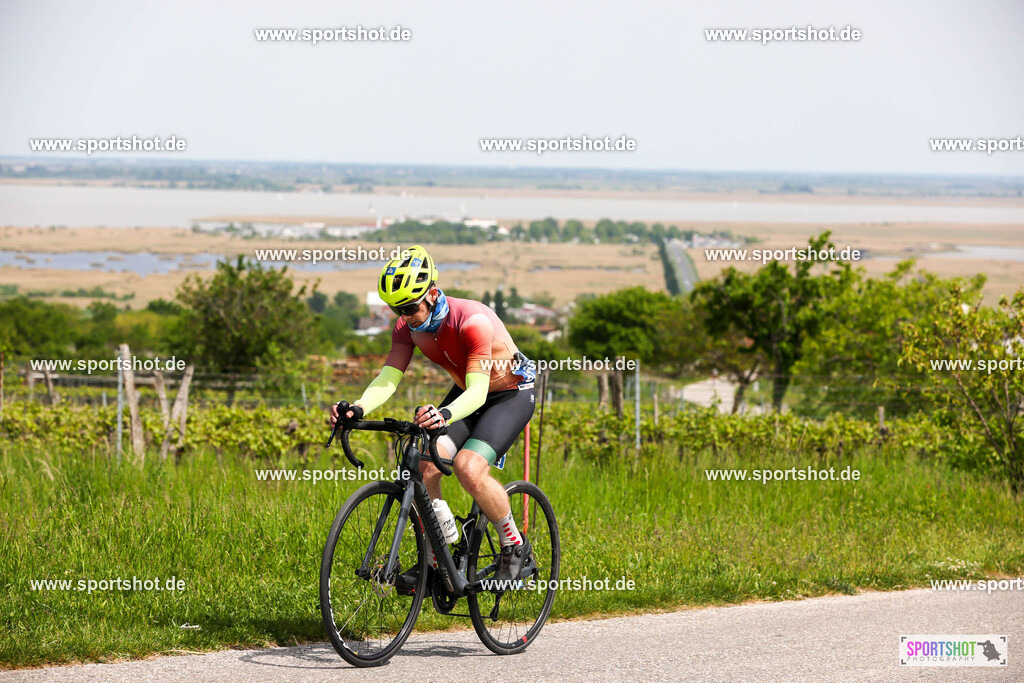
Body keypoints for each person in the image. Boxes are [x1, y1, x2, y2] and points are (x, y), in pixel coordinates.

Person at [330, 244, 536, 591]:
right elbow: (388, 377)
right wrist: (359, 407)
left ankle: (515, 547)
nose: (405, 315)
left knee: (469, 468)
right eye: (398, 308)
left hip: (507, 393)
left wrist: (443, 414)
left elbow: (478, 392)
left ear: (433, 292)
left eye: (410, 306)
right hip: (468, 389)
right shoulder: (408, 328)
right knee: (424, 465)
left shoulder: (473, 322)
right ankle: (438, 560)